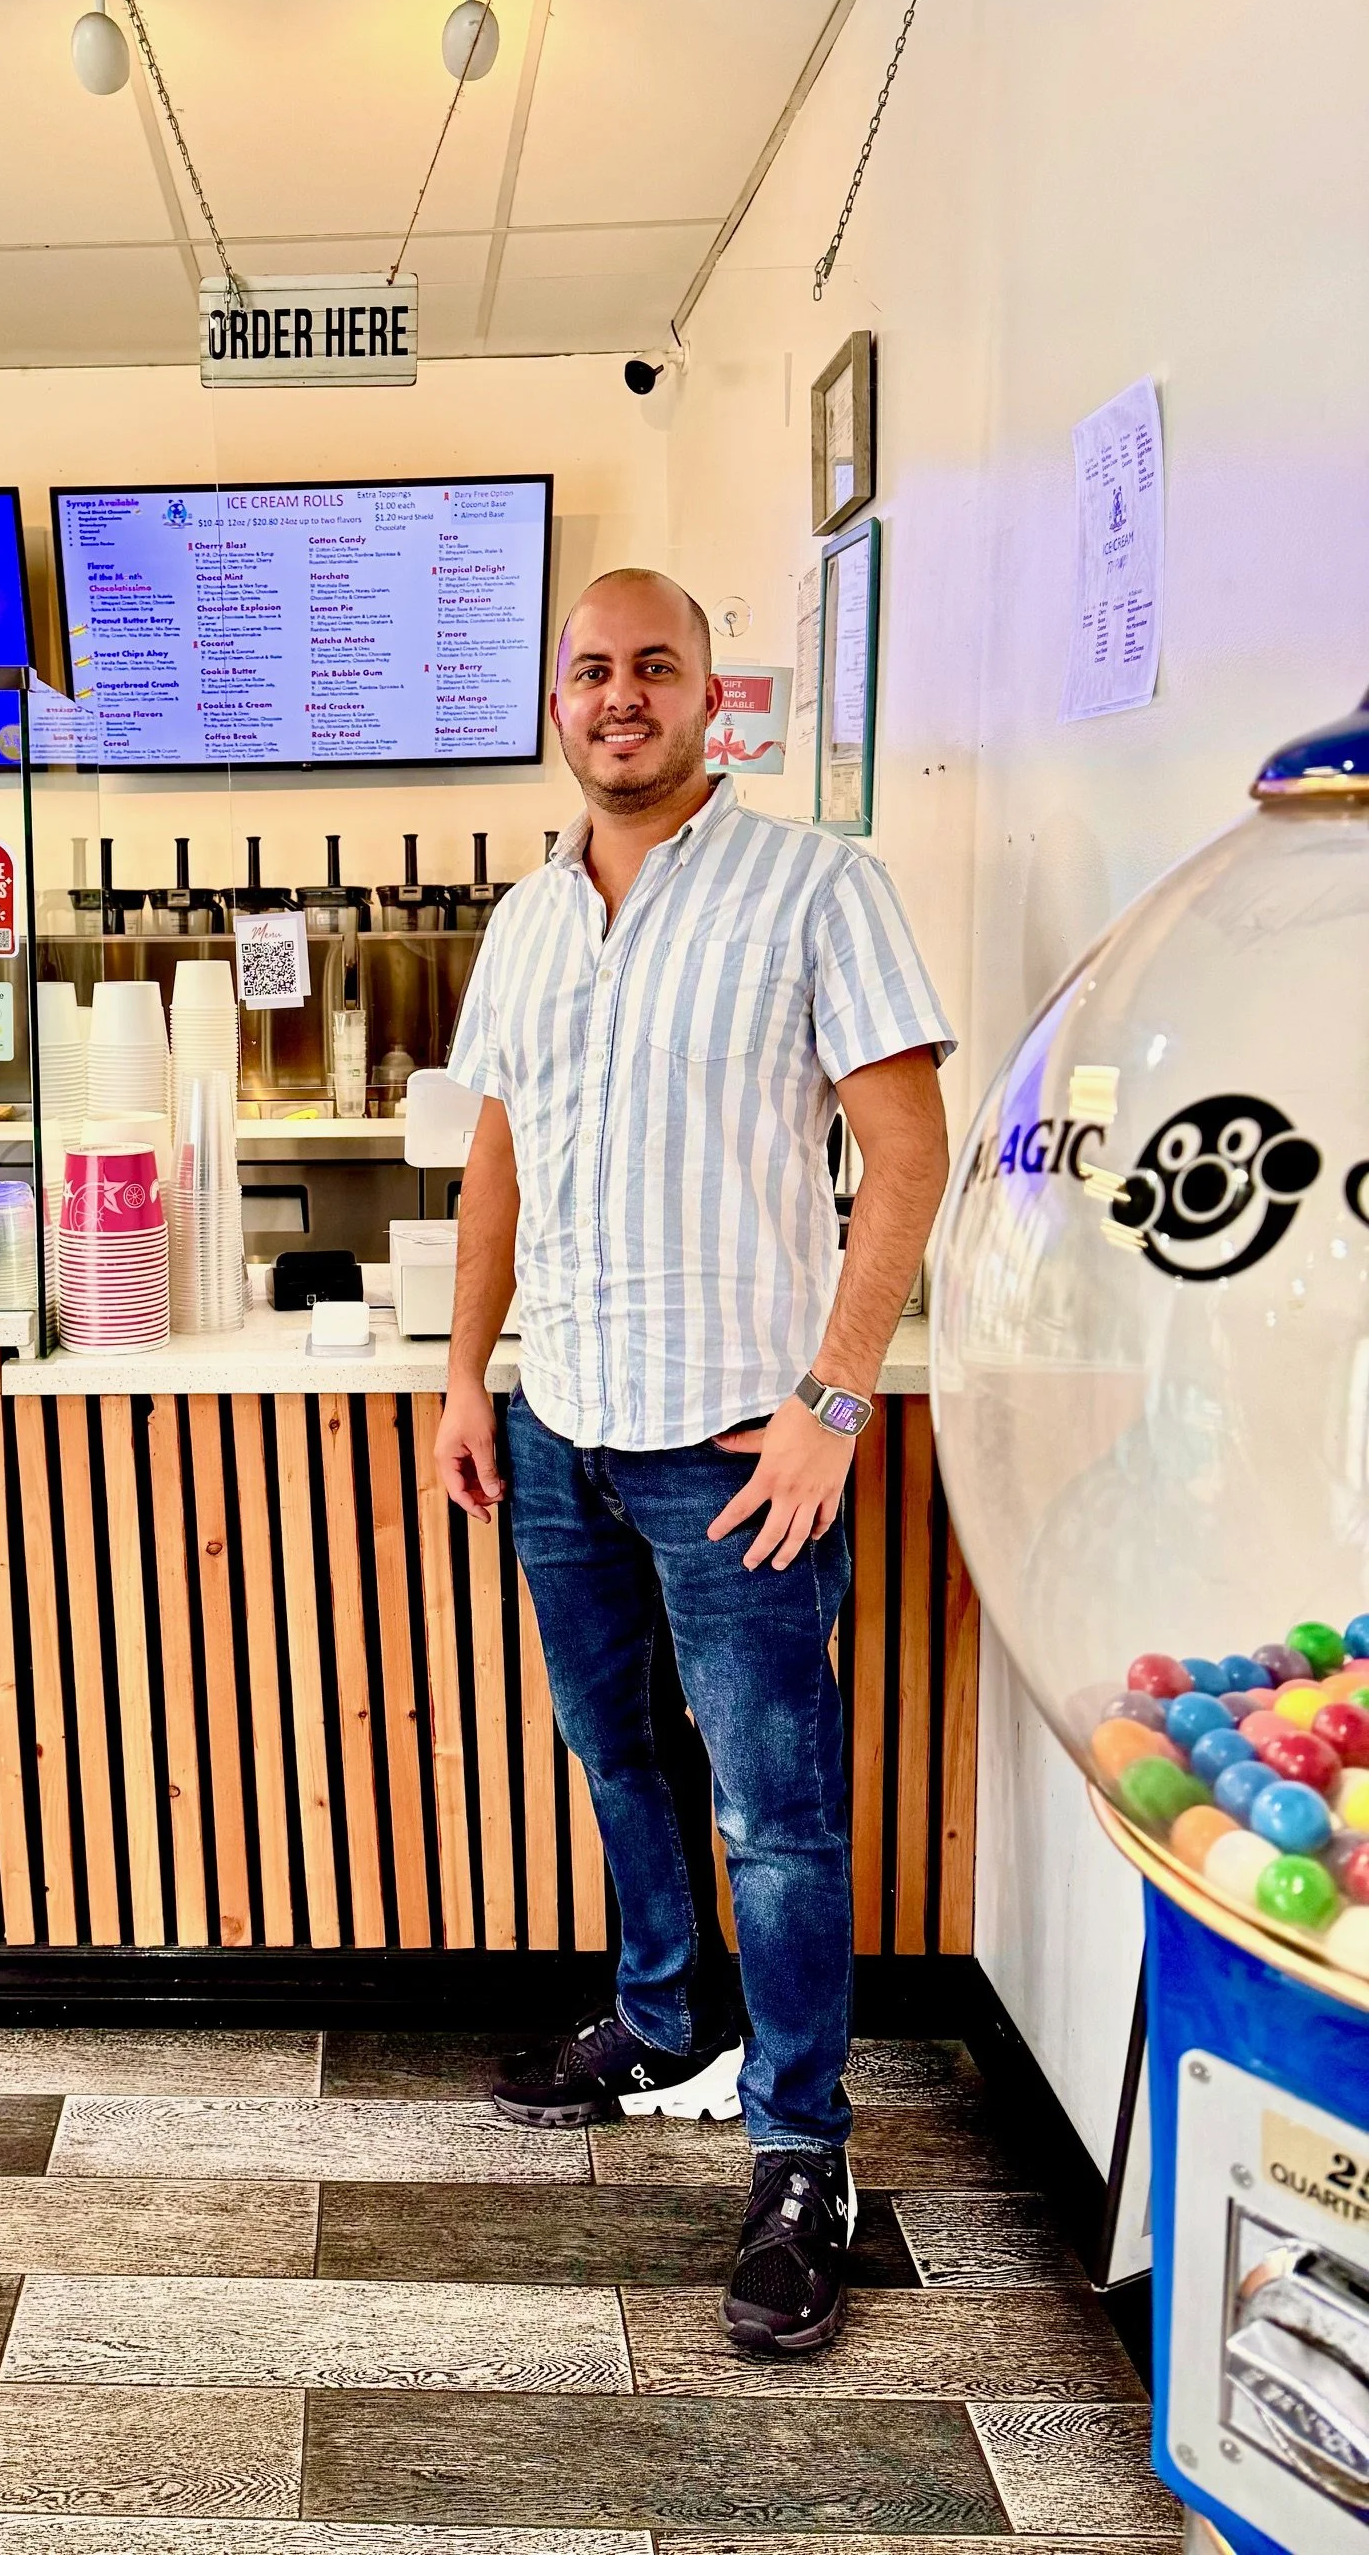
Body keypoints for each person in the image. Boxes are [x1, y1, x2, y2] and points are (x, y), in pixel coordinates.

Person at [436, 565, 952, 2354]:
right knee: (614, 1759)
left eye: (652, 666)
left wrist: (832, 1401)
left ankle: (805, 2152)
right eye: (589, 671)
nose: (618, 695)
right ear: (557, 705)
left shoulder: (816, 884)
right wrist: (462, 1376)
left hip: (735, 1444)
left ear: (707, 698)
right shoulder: (522, 920)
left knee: (778, 1821)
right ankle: (666, 2017)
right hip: (557, 1424)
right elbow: (494, 1168)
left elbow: (906, 1154)